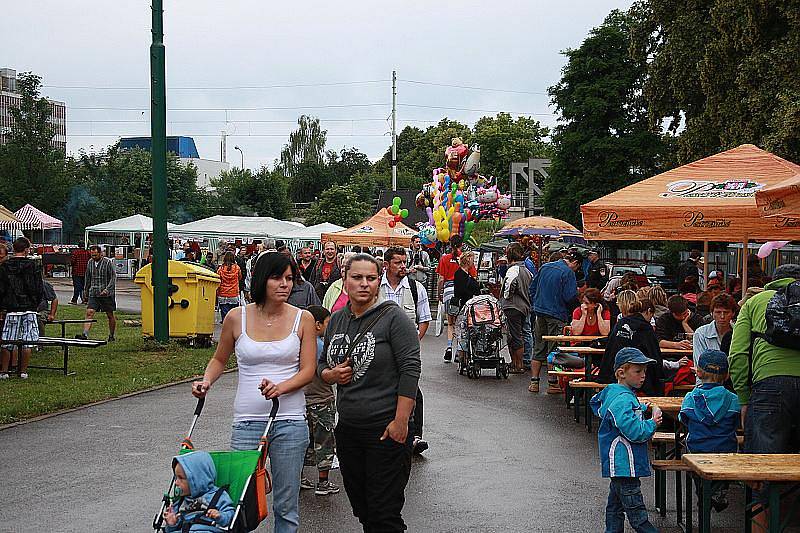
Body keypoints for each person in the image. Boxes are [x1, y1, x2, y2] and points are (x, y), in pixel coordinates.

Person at [193, 252, 316, 533]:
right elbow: (219, 359)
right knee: (240, 501)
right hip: (247, 421)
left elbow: (308, 371)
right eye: (277, 277)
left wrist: (280, 388)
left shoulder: (303, 319)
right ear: (262, 279)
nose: (285, 284)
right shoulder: (237, 317)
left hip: (290, 421)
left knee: (285, 505)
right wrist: (206, 381)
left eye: (289, 278)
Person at [319, 254, 421, 532]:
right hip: (350, 430)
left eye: (371, 278)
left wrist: (401, 422)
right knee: (363, 509)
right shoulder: (337, 320)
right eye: (357, 277)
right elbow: (321, 365)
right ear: (345, 280)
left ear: (379, 281)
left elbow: (410, 371)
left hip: (385, 429)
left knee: (383, 513)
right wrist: (330, 375)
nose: (364, 284)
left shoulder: (394, 318)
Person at [729, 263, 800, 452]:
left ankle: (768, 483)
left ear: (772, 281)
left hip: (769, 384)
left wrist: (743, 398)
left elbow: (737, 354)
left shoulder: (754, 302)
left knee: (764, 461)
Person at [590, 347, 662, 533]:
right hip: (626, 464)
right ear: (621, 373)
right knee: (638, 516)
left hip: (619, 466)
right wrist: (652, 423)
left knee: (615, 509)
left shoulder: (617, 394)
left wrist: (642, 406)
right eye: (638, 371)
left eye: (644, 371)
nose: (643, 375)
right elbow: (635, 431)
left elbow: (629, 410)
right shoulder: (623, 400)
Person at [379, 247, 432, 455]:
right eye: (398, 262)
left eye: (404, 262)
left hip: (406, 351)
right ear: (387, 264)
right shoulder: (376, 286)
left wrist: (413, 342)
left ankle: (415, 435)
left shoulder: (415, 287)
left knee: (412, 390)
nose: (403, 266)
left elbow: (424, 319)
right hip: (380, 348)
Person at [679, 349, 740, 513]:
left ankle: (703, 489)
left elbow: (683, 420)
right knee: (729, 446)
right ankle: (719, 491)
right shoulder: (734, 400)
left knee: (688, 446)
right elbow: (737, 423)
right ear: (727, 375)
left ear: (698, 372)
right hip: (726, 451)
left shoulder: (690, 398)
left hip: (697, 451)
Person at [300, 305, 340, 496]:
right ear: (317, 325)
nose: (329, 326)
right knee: (324, 442)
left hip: (301, 402)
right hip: (322, 400)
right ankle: (323, 483)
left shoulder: (298, 344)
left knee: (302, 442)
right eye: (327, 323)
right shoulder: (322, 346)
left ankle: (298, 477)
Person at [529, 251, 581, 394]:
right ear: (575, 263)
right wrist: (575, 311)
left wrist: (537, 303)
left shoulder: (545, 267)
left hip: (540, 312)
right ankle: (552, 384)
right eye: (577, 268)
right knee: (555, 350)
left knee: (538, 347)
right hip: (557, 314)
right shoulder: (568, 272)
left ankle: (534, 382)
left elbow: (532, 288)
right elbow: (569, 297)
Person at [598, 299, 665, 396]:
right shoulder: (646, 328)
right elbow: (655, 356)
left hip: (611, 375)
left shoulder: (620, 323)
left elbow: (609, 346)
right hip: (641, 381)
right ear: (648, 311)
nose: (651, 319)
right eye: (651, 316)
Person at [0, 237, 44, 380]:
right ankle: (23, 371)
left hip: (11, 308)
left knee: (7, 340)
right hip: (29, 307)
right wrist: (35, 303)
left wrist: (3, 305)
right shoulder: (34, 265)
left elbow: (1, 289)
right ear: (26, 249)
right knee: (27, 341)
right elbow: (39, 288)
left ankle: (5, 371)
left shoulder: (5, 266)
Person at [163, 451, 235, 533]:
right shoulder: (180, 503)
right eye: (176, 478)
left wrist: (220, 516)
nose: (176, 483)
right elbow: (170, 530)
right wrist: (172, 524)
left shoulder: (218, 496)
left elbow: (231, 516)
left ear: (197, 479)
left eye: (181, 478)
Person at [500, 243, 532, 374]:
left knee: (515, 336)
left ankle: (517, 365)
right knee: (520, 334)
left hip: (513, 306)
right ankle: (517, 363)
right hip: (524, 306)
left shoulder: (513, 269)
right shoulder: (526, 270)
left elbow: (509, 285)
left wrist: (506, 296)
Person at [692, 293, 736, 383]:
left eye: (726, 312)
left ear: (733, 313)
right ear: (712, 313)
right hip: (706, 384)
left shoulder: (739, 333)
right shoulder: (701, 333)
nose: (722, 316)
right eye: (718, 312)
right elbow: (700, 366)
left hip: (733, 383)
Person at [76, 245, 116, 342]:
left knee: (109, 315)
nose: (93, 256)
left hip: (106, 293)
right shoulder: (90, 262)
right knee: (89, 312)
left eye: (95, 255)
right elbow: (88, 277)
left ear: (100, 253)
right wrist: (85, 290)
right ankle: (84, 334)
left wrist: (107, 289)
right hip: (93, 292)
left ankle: (111, 335)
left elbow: (113, 277)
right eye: (92, 255)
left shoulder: (107, 262)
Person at [437, 235, 467, 362]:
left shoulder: (444, 258)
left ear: (450, 245)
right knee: (461, 323)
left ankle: (449, 347)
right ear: (462, 244)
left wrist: (440, 294)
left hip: (449, 292)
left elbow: (441, 279)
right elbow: (472, 277)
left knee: (451, 323)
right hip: (463, 292)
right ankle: (459, 351)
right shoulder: (465, 259)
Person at [216, 252, 242, 323]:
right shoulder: (237, 268)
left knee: (225, 315)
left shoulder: (220, 269)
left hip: (222, 294)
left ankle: (226, 326)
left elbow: (218, 279)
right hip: (233, 294)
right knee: (233, 314)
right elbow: (240, 277)